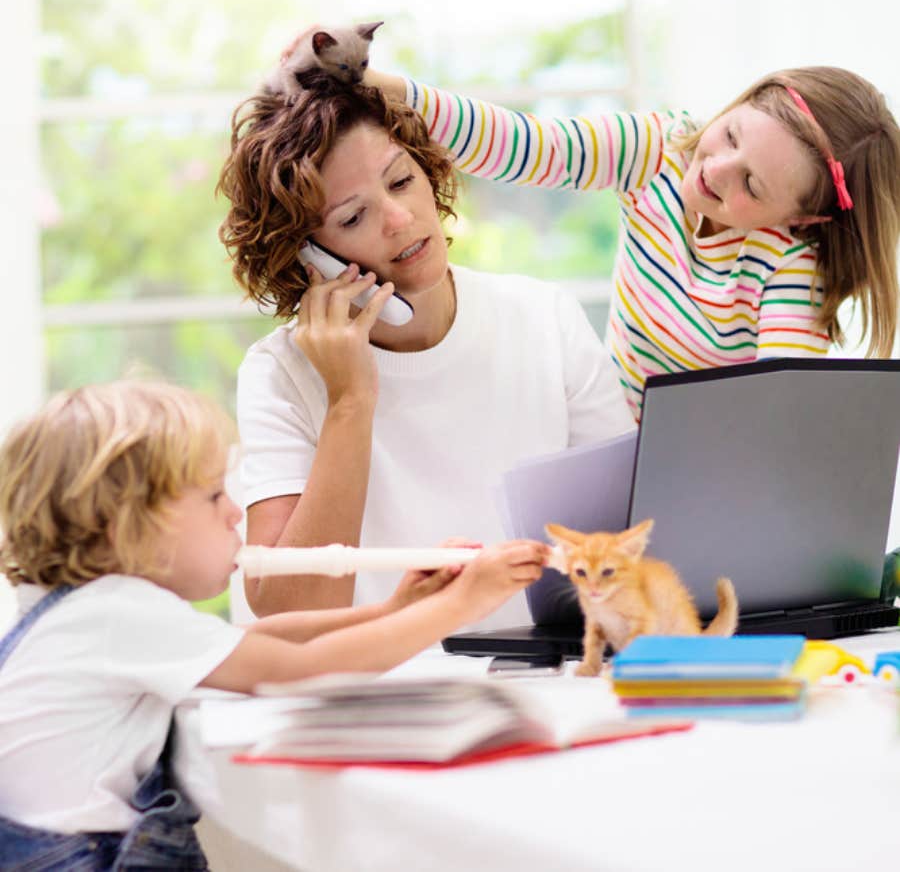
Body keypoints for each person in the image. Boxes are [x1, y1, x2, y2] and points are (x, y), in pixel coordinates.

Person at [0, 379, 547, 869]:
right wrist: (461, 606)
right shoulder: (114, 611)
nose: (235, 512)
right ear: (125, 528)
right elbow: (294, 671)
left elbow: (251, 644)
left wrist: (394, 611)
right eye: (213, 495)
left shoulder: (81, 612)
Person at [217, 72, 635, 622]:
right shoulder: (279, 374)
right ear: (306, 257)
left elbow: (629, 545)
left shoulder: (543, 318)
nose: (400, 219)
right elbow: (290, 613)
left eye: (399, 182)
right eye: (352, 217)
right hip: (370, 688)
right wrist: (349, 401)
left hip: (542, 677)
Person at [364, 66, 900, 420]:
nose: (716, 169)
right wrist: (383, 87)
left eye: (753, 186)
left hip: (698, 468)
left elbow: (779, 415)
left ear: (801, 217)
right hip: (605, 427)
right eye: (732, 135)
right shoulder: (659, 150)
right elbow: (528, 147)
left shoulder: (789, 267)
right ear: (740, 102)